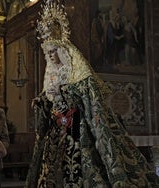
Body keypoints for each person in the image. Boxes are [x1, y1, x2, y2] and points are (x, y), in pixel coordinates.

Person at [25, 1, 159, 188]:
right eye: (48, 52)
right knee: (51, 165)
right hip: (57, 124)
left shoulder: (74, 70)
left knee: (76, 163)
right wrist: (41, 100)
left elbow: (84, 96)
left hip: (74, 125)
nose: (51, 56)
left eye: (53, 51)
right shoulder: (52, 74)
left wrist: (63, 91)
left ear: (62, 49)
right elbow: (50, 98)